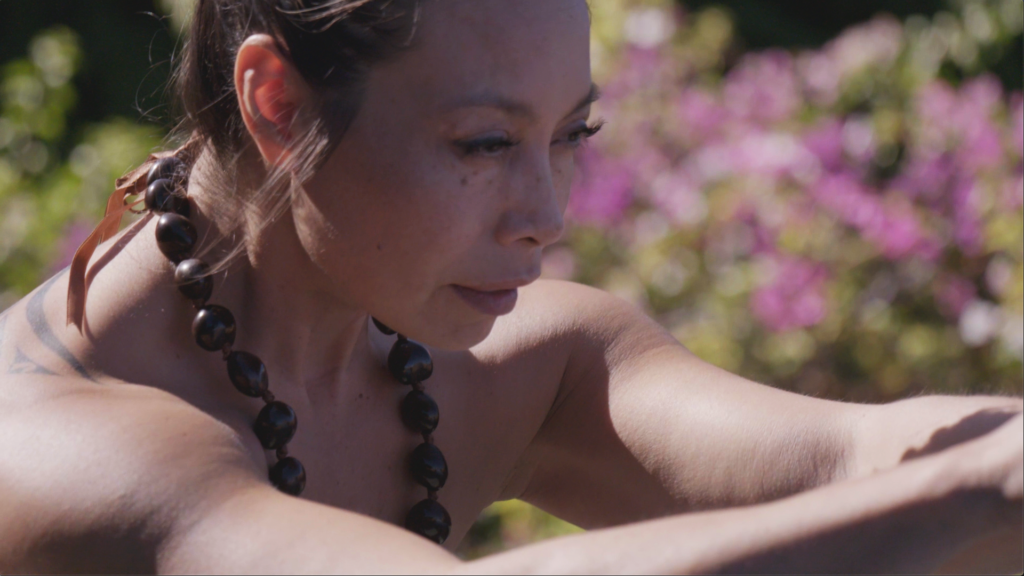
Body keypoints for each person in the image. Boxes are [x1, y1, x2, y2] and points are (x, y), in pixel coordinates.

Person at [0, 0, 1021, 573]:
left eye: (570, 134)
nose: (547, 210)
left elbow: (850, 456)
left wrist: (983, 464)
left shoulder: (515, 367)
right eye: (484, 142)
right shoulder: (61, 442)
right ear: (274, 103)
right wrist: (966, 487)